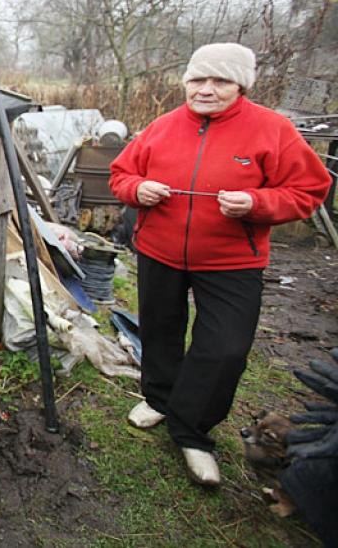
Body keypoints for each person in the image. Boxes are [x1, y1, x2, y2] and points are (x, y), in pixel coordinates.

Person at [108, 43, 330, 486]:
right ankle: (158, 398)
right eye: (198, 79)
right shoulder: (162, 127)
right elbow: (120, 175)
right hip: (159, 251)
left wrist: (256, 203)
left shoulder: (273, 130)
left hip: (232, 260)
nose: (205, 89)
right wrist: (138, 190)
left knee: (225, 348)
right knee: (160, 331)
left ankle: (192, 431)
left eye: (220, 81)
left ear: (241, 86)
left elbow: (309, 190)